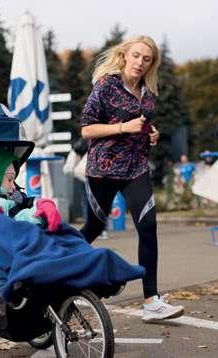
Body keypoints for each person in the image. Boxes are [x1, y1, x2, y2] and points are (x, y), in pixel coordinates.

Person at [79, 35, 184, 322]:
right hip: (103, 169)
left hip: (136, 168)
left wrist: (152, 135)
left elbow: (144, 125)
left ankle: (151, 301)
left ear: (152, 64)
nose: (140, 62)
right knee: (93, 228)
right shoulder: (106, 85)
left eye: (146, 59)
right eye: (136, 55)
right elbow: (87, 129)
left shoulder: (149, 94)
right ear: (125, 55)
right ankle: (55, 269)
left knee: (148, 226)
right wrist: (124, 127)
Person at [0, 147, 145, 303]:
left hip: (25, 238)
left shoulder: (14, 198)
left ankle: (98, 264)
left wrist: (41, 209)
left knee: (59, 228)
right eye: (10, 179)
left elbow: (23, 214)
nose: (13, 186)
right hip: (0, 251)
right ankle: (58, 268)